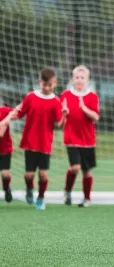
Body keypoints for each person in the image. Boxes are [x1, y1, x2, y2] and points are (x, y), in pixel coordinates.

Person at [16, 68, 65, 210]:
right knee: (29, 175)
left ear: (55, 83)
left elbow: (59, 123)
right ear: (40, 82)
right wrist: (7, 117)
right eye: (45, 85)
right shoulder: (30, 97)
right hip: (30, 142)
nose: (47, 88)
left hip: (45, 143)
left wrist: (65, 114)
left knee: (43, 174)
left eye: (50, 85)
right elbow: (20, 113)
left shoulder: (56, 101)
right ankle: (29, 189)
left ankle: (41, 198)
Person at [61, 65, 99, 208]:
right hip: (71, 138)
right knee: (75, 167)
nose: (79, 80)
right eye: (77, 77)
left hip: (88, 140)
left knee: (86, 171)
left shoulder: (92, 96)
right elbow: (60, 119)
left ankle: (86, 198)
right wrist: (63, 113)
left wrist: (84, 108)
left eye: (82, 78)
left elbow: (95, 116)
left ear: (87, 80)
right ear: (72, 79)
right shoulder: (65, 95)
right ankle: (68, 191)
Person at [0, 104, 20, 203]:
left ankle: (6, 188)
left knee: (5, 174)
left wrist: (17, 110)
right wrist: (7, 118)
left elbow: (17, 114)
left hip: (4, 148)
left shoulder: (3, 110)